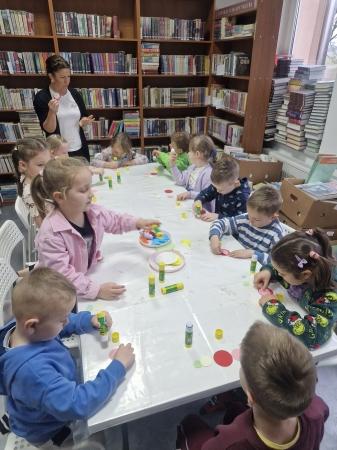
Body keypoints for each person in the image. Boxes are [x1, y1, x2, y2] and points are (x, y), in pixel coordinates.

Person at [0, 268, 135, 447]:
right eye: (61, 319)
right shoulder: (35, 373)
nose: (66, 321)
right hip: (53, 430)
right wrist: (118, 366)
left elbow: (62, 322)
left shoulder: (23, 327)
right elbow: (79, 404)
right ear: (32, 325)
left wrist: (89, 320)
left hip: (53, 400)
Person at [177, 321, 329, 450]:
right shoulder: (317, 410)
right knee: (234, 410)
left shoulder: (230, 442)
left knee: (190, 424)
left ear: (250, 398)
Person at [31, 158, 160, 300]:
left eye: (90, 187)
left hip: (85, 272)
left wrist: (138, 222)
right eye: (83, 190)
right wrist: (96, 290)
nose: (91, 194)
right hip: (60, 290)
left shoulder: (92, 212)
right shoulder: (51, 234)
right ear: (60, 197)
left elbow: (115, 220)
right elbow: (62, 275)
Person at [254, 228, 337, 349]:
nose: (279, 274)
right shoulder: (300, 268)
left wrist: (273, 308)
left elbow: (313, 336)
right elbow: (282, 267)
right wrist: (269, 271)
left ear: (305, 275)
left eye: (281, 273)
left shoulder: (329, 297)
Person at [33, 54, 95, 161]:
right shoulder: (42, 97)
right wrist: (52, 112)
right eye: (62, 77)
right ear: (51, 77)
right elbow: (49, 129)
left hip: (80, 147)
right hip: (59, 152)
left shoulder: (74, 93)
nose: (67, 81)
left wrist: (83, 121)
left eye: (68, 76)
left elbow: (82, 117)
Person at [209, 185, 285, 264]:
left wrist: (252, 253)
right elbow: (220, 223)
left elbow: (278, 263)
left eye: (256, 219)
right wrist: (214, 237)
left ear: (273, 217)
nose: (250, 221)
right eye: (249, 214)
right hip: (237, 262)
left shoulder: (277, 234)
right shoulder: (246, 218)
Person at [194, 155, 250, 222]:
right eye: (215, 187)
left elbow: (240, 220)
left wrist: (218, 216)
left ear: (235, 183)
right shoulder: (220, 185)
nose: (217, 191)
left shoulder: (242, 197)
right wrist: (198, 201)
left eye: (221, 190)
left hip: (230, 230)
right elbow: (205, 194)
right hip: (218, 224)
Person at [11, 138, 51, 227]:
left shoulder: (33, 177)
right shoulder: (29, 194)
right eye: (41, 165)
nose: (47, 169)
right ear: (23, 165)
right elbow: (43, 226)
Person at [172, 134, 214, 211]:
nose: (188, 154)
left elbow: (208, 196)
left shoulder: (208, 174)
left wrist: (189, 194)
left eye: (190, 151)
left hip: (201, 209)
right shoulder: (192, 167)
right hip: (189, 203)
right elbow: (180, 180)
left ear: (197, 154)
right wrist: (173, 165)